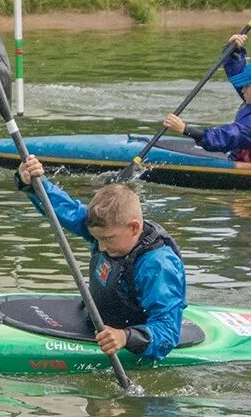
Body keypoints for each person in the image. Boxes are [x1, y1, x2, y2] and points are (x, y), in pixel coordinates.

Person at [16, 155, 187, 361]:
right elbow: (65, 210)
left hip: (132, 337)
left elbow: (168, 331)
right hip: (98, 318)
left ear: (134, 227)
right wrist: (34, 183)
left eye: (107, 239)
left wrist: (125, 337)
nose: (101, 246)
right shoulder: (108, 230)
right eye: (97, 239)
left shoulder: (158, 265)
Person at [161, 33, 251, 164]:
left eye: (246, 85)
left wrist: (185, 129)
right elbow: (239, 76)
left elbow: (226, 137)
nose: (242, 89)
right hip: (246, 156)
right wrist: (234, 51)